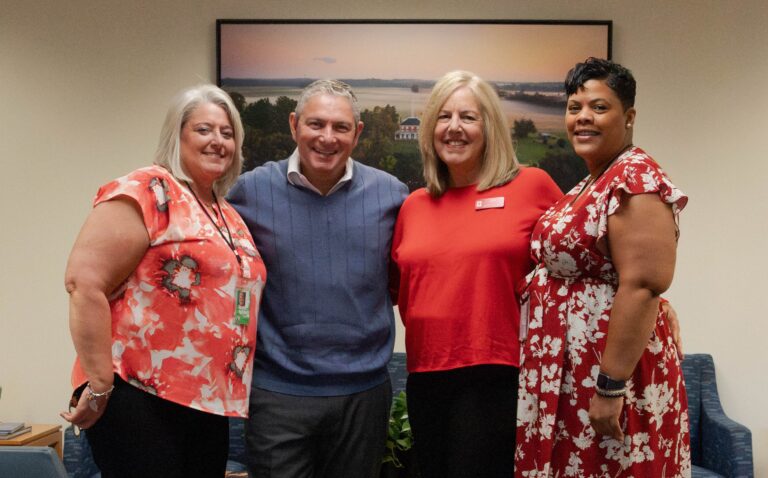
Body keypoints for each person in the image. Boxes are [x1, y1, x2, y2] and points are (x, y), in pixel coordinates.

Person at [62, 85, 267, 478]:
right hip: (139, 393)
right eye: (204, 129)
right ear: (178, 134)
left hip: (206, 400)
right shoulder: (149, 188)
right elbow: (83, 282)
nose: (218, 141)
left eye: (227, 133)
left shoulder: (224, 211)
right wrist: (100, 380)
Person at [515, 58, 691, 476]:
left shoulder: (635, 178)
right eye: (575, 108)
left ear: (628, 117)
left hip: (608, 378)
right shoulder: (594, 179)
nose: (583, 118)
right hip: (572, 373)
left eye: (599, 107)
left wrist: (611, 387)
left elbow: (644, 285)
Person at [227, 79, 409, 478]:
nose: (327, 137)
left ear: (357, 133)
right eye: (316, 124)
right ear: (294, 125)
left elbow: (400, 280)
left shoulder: (391, 195)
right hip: (278, 395)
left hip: (363, 395)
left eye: (340, 127)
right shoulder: (250, 192)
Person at [390, 71, 563, 478]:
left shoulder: (532, 185)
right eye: (444, 117)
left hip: (497, 373)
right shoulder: (413, 205)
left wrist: (656, 307)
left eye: (468, 117)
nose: (454, 128)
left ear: (490, 127)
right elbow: (398, 288)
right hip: (424, 375)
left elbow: (583, 256)